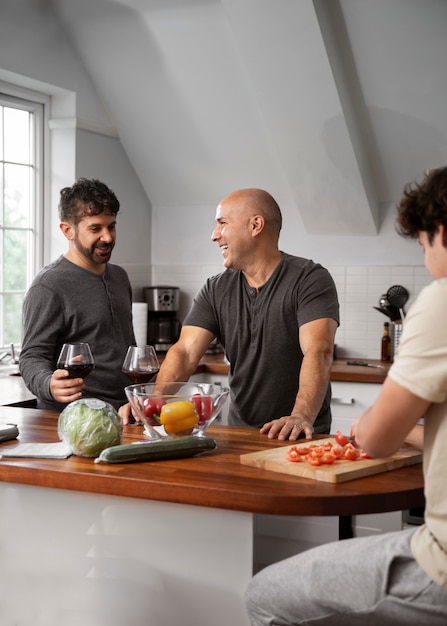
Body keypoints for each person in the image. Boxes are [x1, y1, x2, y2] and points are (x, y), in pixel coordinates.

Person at [245, 167, 447, 625]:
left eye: (422, 246)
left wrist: (362, 428)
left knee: (262, 595)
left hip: (440, 563)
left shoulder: (441, 301)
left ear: (442, 233)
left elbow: (375, 441)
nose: (425, 260)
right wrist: (416, 435)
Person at [121, 188, 339, 440]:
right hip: (240, 432)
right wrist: (153, 402)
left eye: (222, 223)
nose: (215, 236)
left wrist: (300, 416)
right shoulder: (216, 288)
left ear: (256, 225)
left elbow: (319, 350)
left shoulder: (309, 279)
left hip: (299, 433)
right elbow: (185, 352)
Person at [19, 177, 135, 411]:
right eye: (95, 228)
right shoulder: (49, 286)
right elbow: (32, 357)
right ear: (67, 230)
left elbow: (127, 348)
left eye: (111, 226)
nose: (108, 237)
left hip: (124, 411)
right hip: (76, 416)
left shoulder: (119, 276)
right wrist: (48, 383)